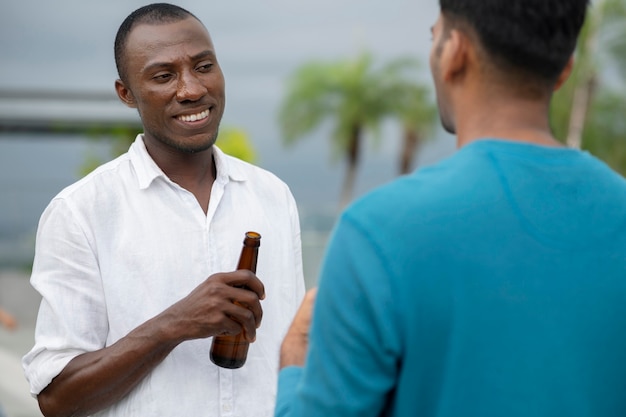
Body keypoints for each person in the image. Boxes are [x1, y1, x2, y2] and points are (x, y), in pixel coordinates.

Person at [275, 0, 626, 416]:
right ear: (565, 68)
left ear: (454, 53)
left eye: (433, 35)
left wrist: (294, 369)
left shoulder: (380, 230)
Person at [22, 3, 305, 416]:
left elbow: (290, 353)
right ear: (126, 93)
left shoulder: (273, 196)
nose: (191, 89)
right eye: (163, 76)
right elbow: (57, 399)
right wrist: (173, 325)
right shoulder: (81, 212)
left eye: (204, 66)